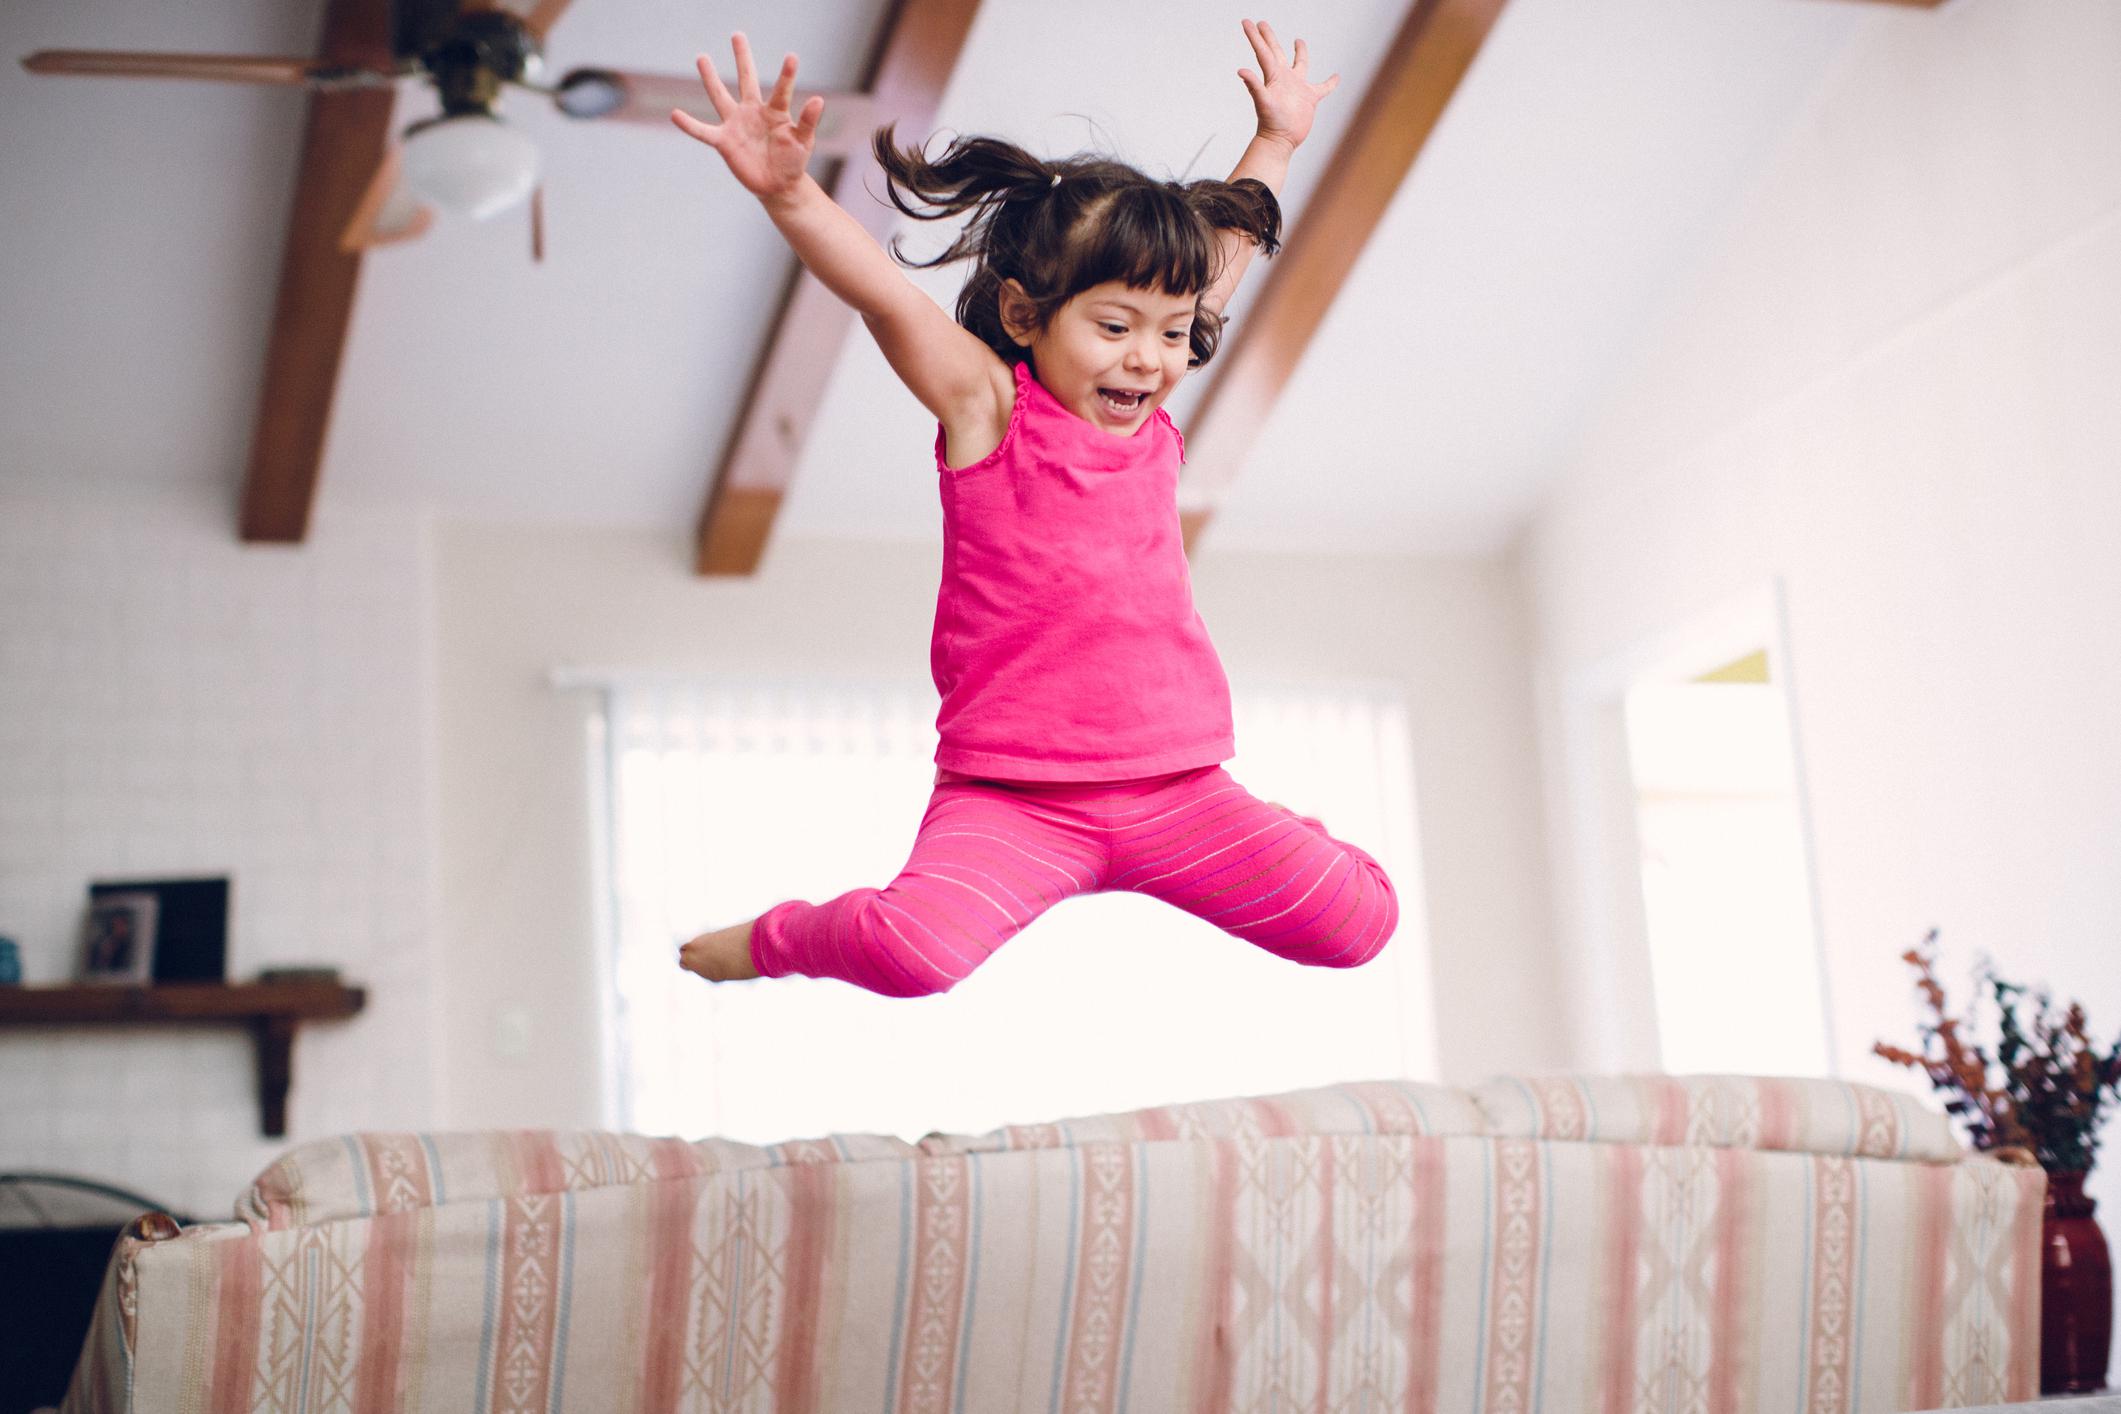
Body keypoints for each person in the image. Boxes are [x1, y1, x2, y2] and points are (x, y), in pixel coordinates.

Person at [671, 20, 1398, 998]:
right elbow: (888, 300)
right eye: (1112, 326)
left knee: (1363, 923)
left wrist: (1278, 140)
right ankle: (772, 941)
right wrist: (791, 192)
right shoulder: (990, 409)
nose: (1148, 357)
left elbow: (1213, 263)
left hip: (1178, 785)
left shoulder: (1150, 410)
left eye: (1174, 334)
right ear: (1025, 317)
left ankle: (1277, 826)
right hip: (1015, 801)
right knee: (911, 956)